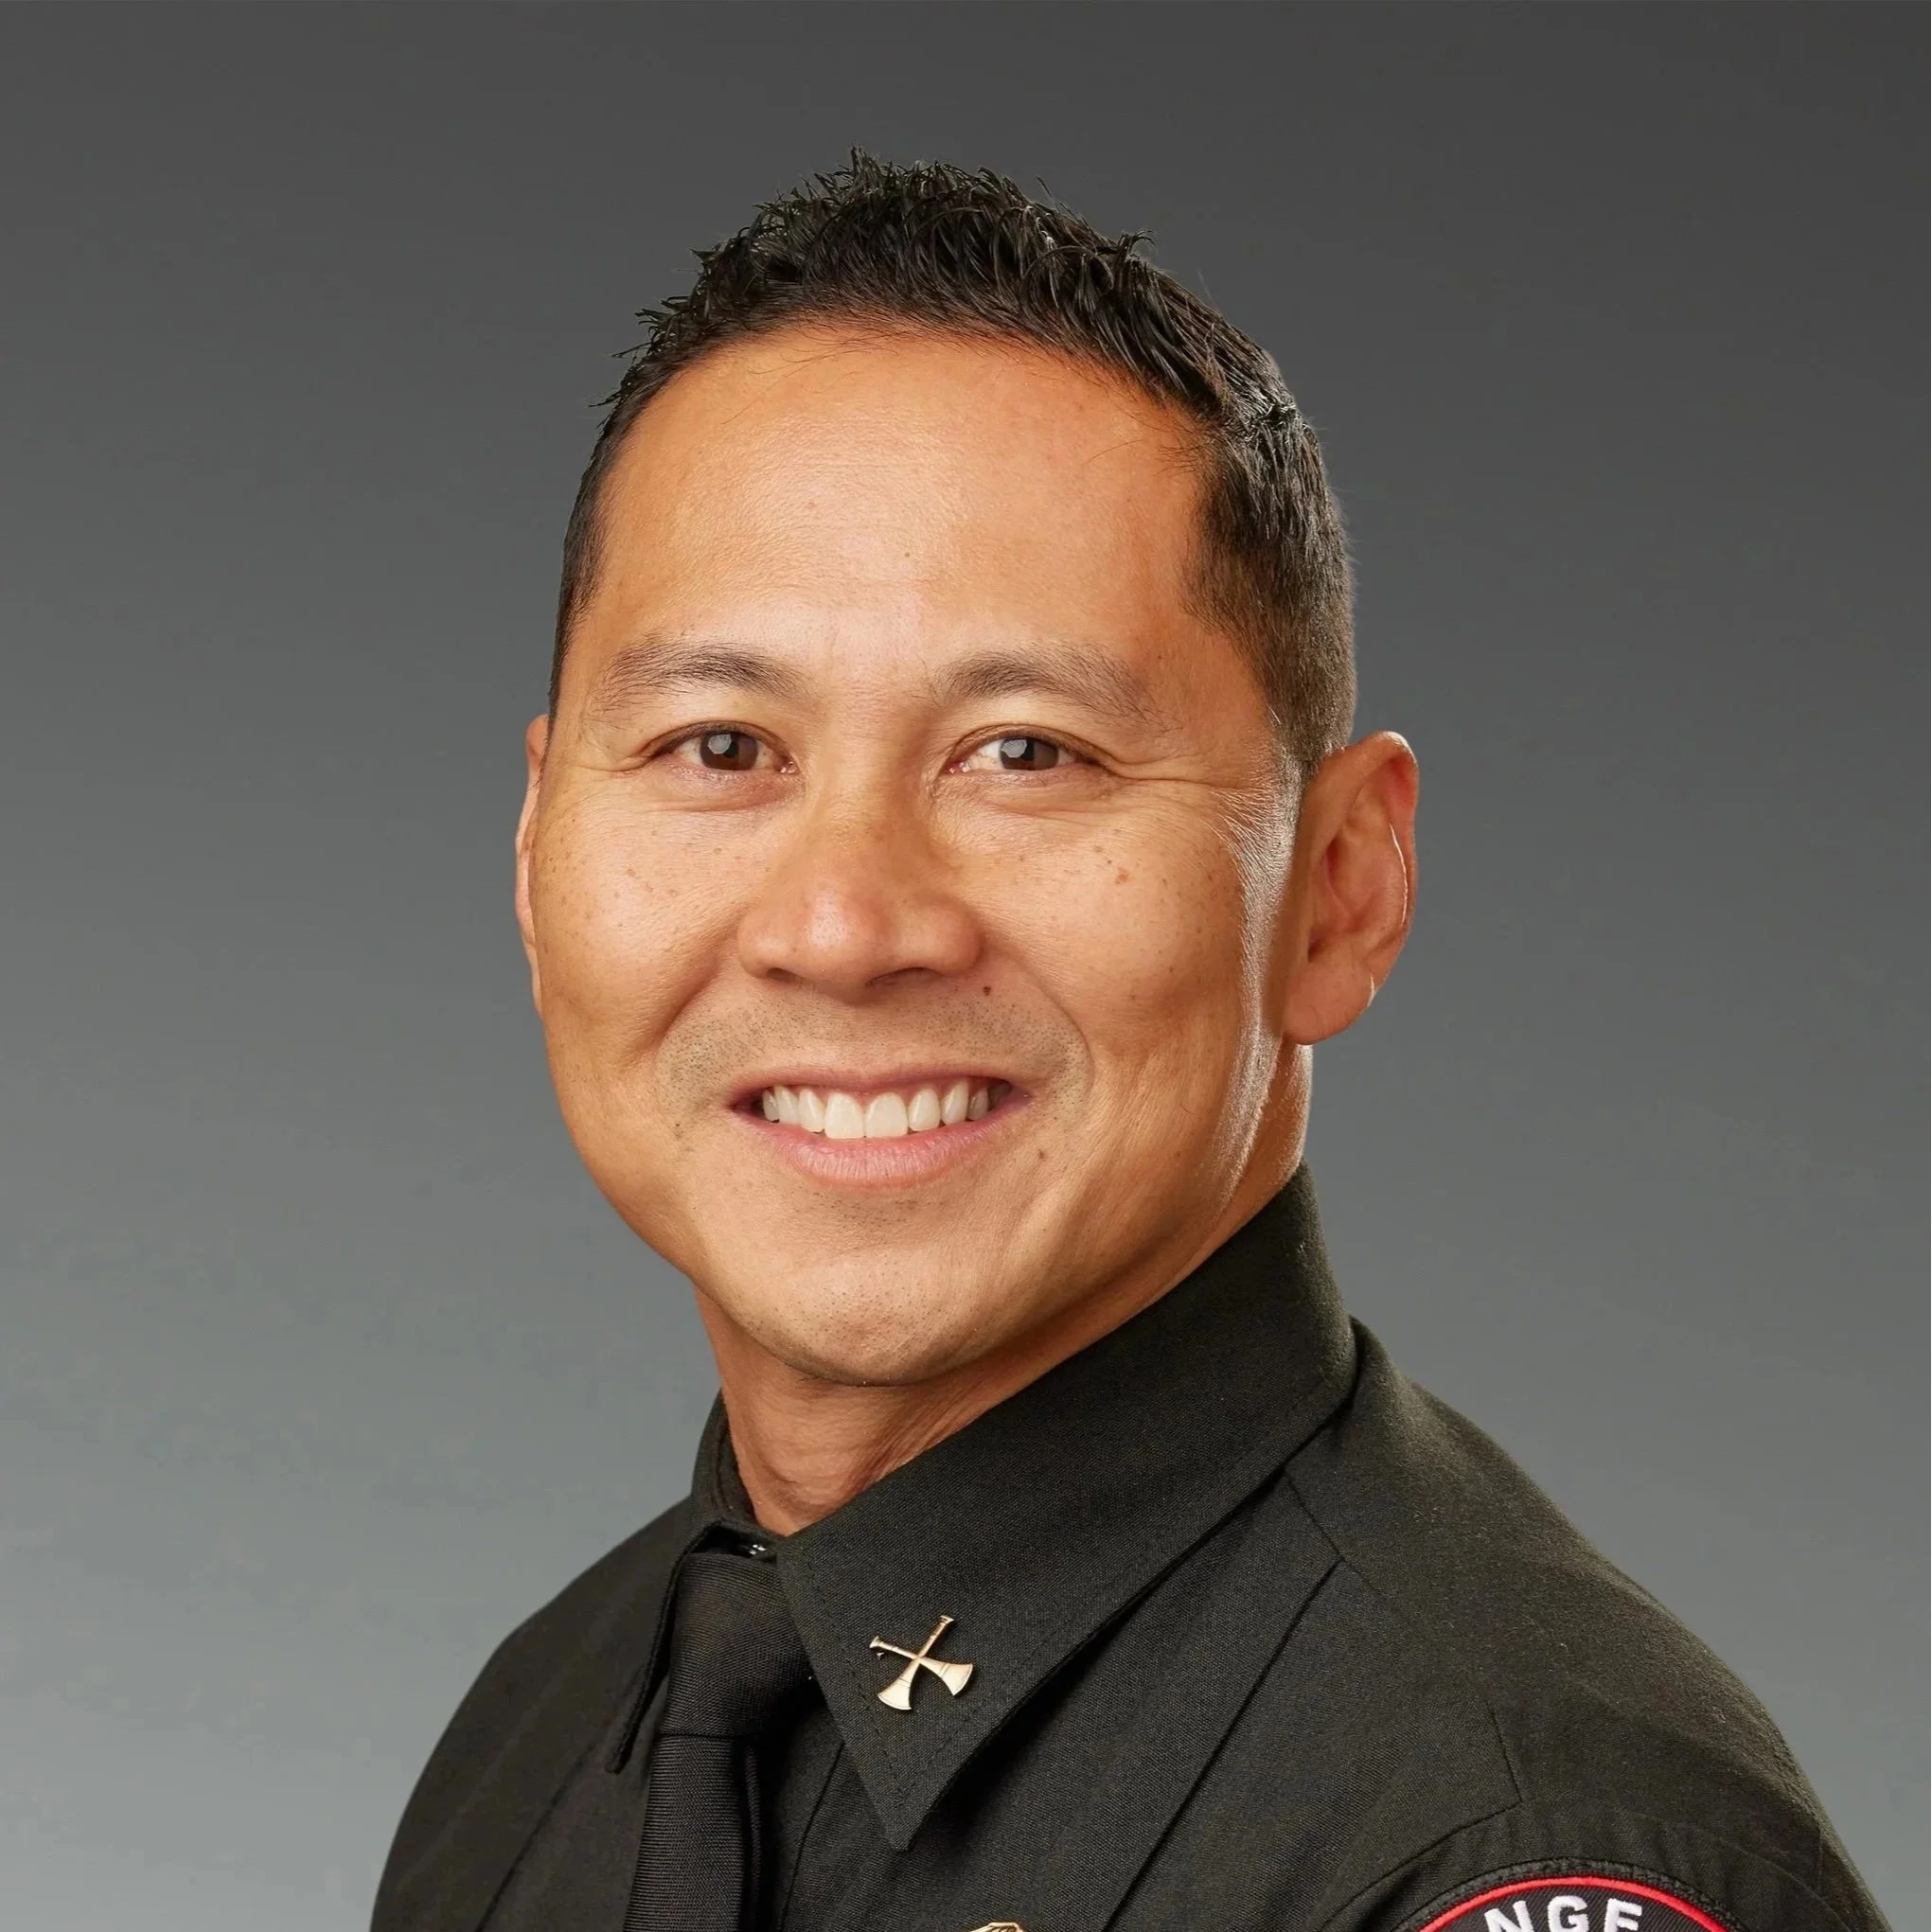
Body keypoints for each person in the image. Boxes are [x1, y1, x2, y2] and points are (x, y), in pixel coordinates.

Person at [372, 156, 1885, 1932]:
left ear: (1337, 890)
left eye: (1026, 752)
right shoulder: (543, 1740)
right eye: (720, 746)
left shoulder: (1509, 1842)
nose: (845, 926)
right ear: (538, 844)